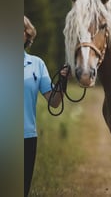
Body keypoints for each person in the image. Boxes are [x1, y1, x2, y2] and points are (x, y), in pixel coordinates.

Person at [24, 15, 69, 197]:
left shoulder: (37, 64)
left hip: (26, 137)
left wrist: (63, 83)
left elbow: (54, 102)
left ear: (28, 35)